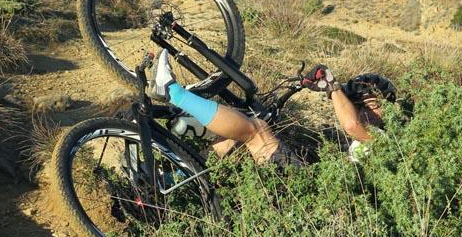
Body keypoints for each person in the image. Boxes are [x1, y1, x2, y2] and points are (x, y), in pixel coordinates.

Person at [152, 51, 396, 165]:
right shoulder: (358, 143)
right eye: (358, 105)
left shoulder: (387, 140)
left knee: (256, 131)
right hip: (319, 195)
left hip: (318, 201)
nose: (365, 112)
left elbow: (351, 124)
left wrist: (332, 85)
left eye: (372, 105)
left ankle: (173, 93)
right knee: (236, 144)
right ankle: (178, 171)